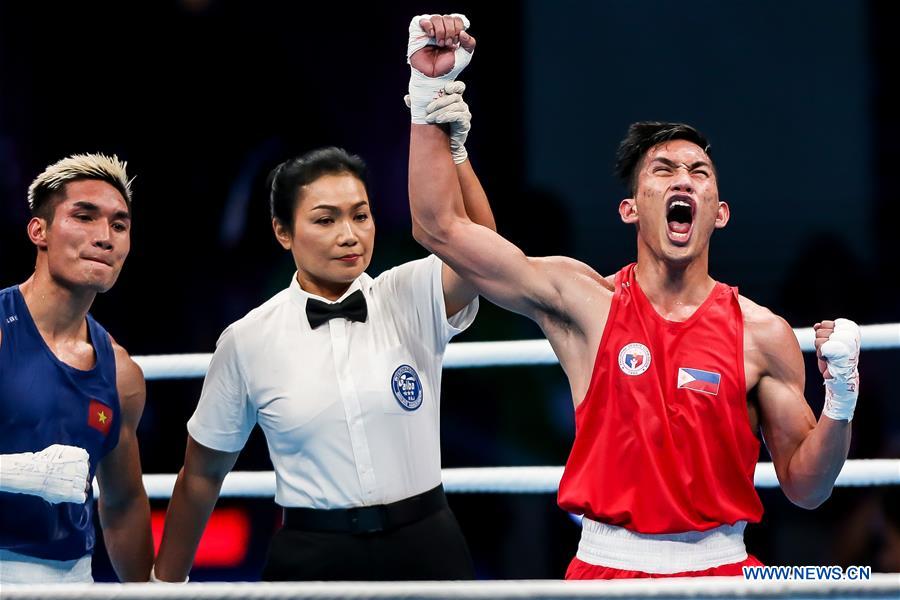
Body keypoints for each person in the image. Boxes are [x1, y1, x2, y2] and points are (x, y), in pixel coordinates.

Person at [405, 14, 861, 579]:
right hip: (605, 570)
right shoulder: (582, 302)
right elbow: (439, 228)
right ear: (630, 208)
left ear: (718, 213)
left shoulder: (761, 334)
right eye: (663, 170)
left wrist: (840, 403)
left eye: (699, 172)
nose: (682, 180)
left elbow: (807, 489)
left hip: (724, 573)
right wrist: (425, 96)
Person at [153, 91, 496, 582]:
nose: (349, 235)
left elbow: (484, 253)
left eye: (360, 215)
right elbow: (201, 474)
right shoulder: (248, 339)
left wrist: (456, 153)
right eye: (325, 219)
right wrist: (164, 588)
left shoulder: (409, 293)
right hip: (312, 552)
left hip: (426, 541)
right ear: (282, 232)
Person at [0, 154, 153, 583]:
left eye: (119, 225)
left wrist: (149, 595)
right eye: (84, 217)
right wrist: (29, 474)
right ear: (39, 230)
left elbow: (122, 505)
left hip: (74, 577)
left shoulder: (121, 374)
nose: (104, 237)